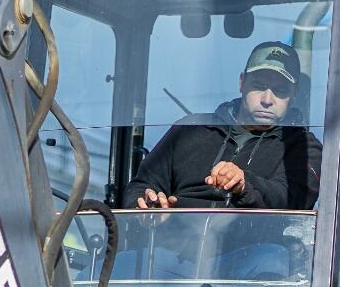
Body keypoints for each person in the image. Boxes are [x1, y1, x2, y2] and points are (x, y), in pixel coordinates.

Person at [123, 41, 322, 210]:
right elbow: (140, 186)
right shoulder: (190, 129)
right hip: (174, 243)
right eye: (259, 86)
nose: (267, 99)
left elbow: (293, 200)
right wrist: (146, 203)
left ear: (294, 93)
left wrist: (244, 184)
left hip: (254, 247)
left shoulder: (304, 147)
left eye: (280, 90)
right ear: (242, 82)